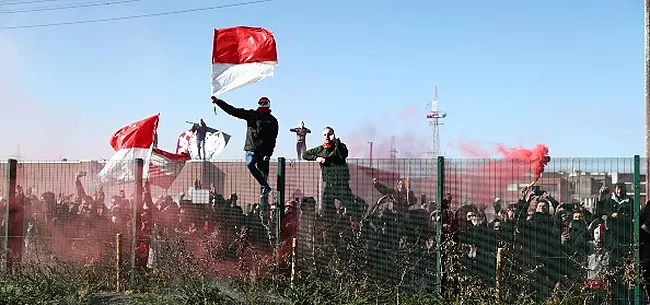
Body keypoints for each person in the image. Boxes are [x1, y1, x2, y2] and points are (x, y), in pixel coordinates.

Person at [211, 96, 279, 197]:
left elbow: (273, 138)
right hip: (251, 149)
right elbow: (233, 111)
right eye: (261, 103)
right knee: (250, 163)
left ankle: (264, 198)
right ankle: (265, 186)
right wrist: (218, 102)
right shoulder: (252, 115)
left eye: (265, 103)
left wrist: (269, 154)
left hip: (264, 153)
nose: (263, 105)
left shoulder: (273, 121)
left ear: (269, 104)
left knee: (264, 177)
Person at [303, 126, 363, 222]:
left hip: (342, 185)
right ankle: (331, 228)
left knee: (353, 208)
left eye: (329, 134)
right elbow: (305, 155)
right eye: (325, 134)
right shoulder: (321, 150)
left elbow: (343, 154)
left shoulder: (340, 146)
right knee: (326, 209)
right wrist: (317, 158)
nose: (327, 136)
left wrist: (336, 142)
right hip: (330, 185)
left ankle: (358, 227)